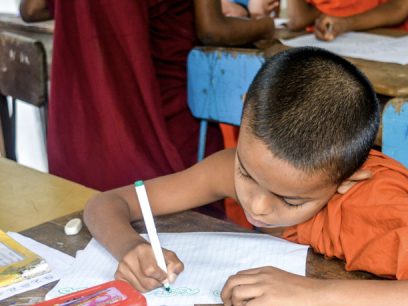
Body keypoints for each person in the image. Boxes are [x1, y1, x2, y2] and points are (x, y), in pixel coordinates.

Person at [84, 48, 408, 306]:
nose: (258, 206)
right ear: (245, 111)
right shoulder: (233, 165)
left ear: (346, 181)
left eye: (290, 199)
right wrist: (130, 249)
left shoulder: (374, 202)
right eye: (247, 175)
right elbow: (106, 203)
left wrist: (318, 295)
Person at [19, 0, 275, 191]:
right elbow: (213, 30)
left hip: (83, 133)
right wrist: (266, 25)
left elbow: (30, 9)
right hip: (163, 123)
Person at [287, 0, 408, 39]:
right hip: (335, 46)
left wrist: (346, 23)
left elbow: (399, 7)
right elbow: (298, 20)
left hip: (390, 45)